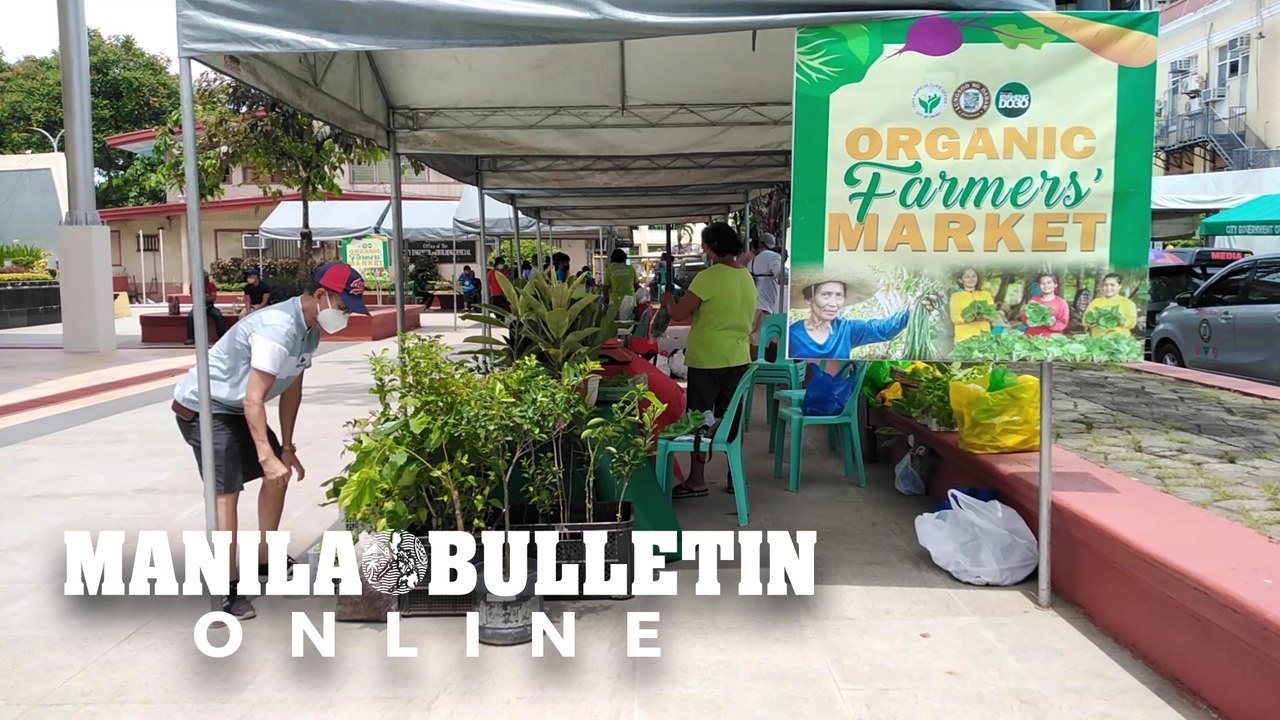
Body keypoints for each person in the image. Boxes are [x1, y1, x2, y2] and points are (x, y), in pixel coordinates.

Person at [172, 262, 370, 620]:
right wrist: (265, 456)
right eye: (343, 309)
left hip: (241, 406)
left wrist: (286, 448)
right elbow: (253, 399)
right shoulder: (277, 328)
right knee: (226, 495)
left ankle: (266, 559)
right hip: (208, 408)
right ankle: (227, 588)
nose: (346, 318)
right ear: (321, 296)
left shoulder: (309, 331)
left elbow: (293, 387)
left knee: (278, 477)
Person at [660, 222, 756, 499]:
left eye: (705, 244)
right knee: (730, 419)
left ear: (714, 248)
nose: (703, 249)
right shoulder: (746, 276)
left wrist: (667, 300)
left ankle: (697, 479)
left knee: (699, 419)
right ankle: (733, 477)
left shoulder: (709, 277)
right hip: (738, 358)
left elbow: (678, 313)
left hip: (708, 359)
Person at [789, 280, 928, 359]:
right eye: (826, 295)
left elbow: (883, 330)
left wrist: (911, 311)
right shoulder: (792, 334)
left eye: (839, 296)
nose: (833, 303)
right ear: (809, 299)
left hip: (838, 399)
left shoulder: (847, 330)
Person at [747, 233, 784, 358]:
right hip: (763, 306)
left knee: (751, 338)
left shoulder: (752, 261)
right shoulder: (773, 256)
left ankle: (750, 366)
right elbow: (779, 272)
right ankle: (756, 368)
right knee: (759, 340)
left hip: (752, 303)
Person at [949, 267, 997, 343]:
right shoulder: (956, 296)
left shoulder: (986, 295)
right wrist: (972, 318)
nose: (971, 279)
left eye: (974, 276)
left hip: (984, 338)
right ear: (961, 280)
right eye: (967, 277)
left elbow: (992, 314)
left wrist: (985, 316)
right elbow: (955, 318)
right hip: (964, 339)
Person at [1021, 273, 1070, 337]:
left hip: (1051, 340)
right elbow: (1025, 320)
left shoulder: (1062, 303)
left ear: (1055, 285)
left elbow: (1063, 322)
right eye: (1042, 283)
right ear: (1039, 286)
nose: (1046, 285)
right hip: (1032, 337)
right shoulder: (1033, 300)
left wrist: (1050, 323)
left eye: (1049, 283)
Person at [185, 272, 226, 346]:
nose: (207, 279)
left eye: (207, 277)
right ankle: (191, 338)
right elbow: (195, 299)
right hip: (198, 307)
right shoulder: (193, 285)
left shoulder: (211, 285)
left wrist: (201, 298)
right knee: (190, 317)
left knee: (218, 315)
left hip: (209, 307)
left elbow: (213, 298)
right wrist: (206, 298)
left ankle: (221, 336)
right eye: (205, 277)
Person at [603, 248, 639, 321]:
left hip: (615, 300)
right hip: (630, 300)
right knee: (628, 322)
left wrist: (606, 299)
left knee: (615, 324)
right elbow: (636, 284)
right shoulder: (630, 268)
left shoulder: (609, 269)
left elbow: (605, 287)